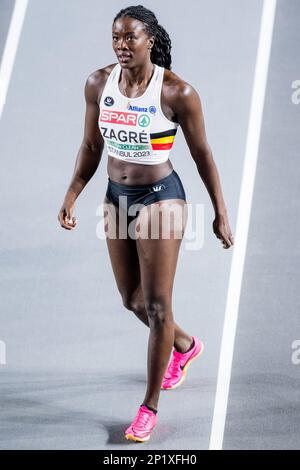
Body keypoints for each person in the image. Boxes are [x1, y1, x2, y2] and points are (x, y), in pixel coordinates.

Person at [58, 4, 234, 443]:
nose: (121, 44)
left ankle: (148, 408)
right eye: (115, 37)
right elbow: (89, 146)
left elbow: (203, 155)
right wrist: (72, 192)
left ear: (150, 39)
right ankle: (186, 346)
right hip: (116, 197)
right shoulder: (98, 83)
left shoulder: (177, 93)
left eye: (130, 37)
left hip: (160, 199)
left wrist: (220, 212)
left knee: (157, 306)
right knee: (133, 301)